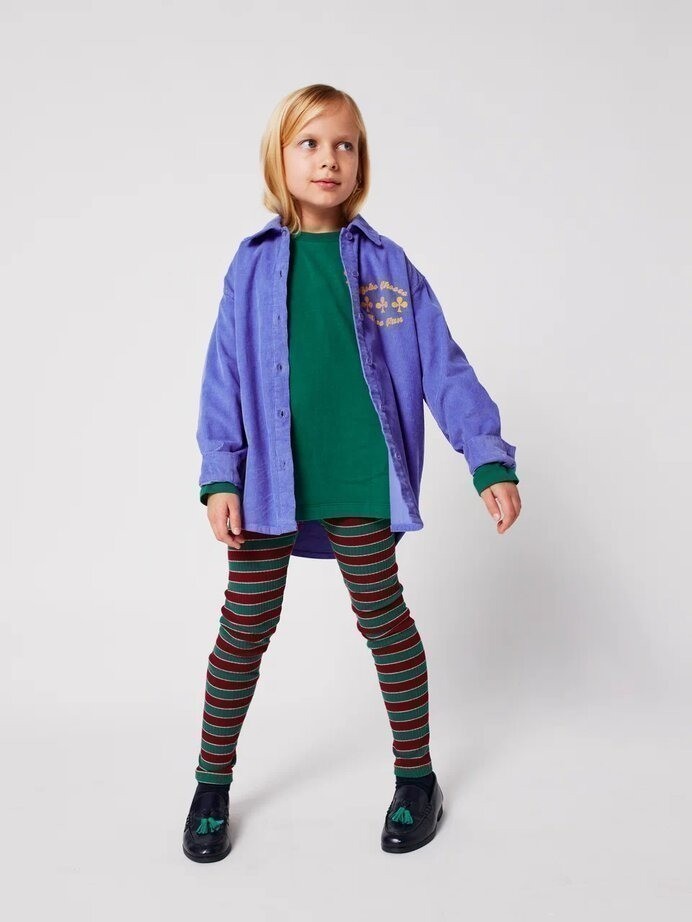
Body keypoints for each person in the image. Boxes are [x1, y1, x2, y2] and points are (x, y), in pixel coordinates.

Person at [183, 83, 521, 863]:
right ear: (279, 157)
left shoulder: (388, 264)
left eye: (345, 145)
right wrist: (221, 474)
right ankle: (210, 784)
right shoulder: (251, 266)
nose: (329, 158)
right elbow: (223, 374)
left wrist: (487, 457)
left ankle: (417, 779)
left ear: (361, 162)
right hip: (270, 483)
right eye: (310, 142)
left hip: (362, 476)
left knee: (384, 620)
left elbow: (443, 365)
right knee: (243, 630)